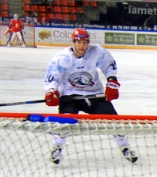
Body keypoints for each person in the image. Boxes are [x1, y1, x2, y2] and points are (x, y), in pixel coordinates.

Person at [44, 28, 138, 165]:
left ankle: (125, 148)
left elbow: (109, 64)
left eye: (84, 42)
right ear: (73, 42)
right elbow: (53, 76)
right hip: (70, 95)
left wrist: (112, 80)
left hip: (95, 94)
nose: (82, 46)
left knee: (112, 120)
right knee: (65, 121)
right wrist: (51, 91)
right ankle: (57, 148)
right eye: (79, 42)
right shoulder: (62, 58)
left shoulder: (96, 51)